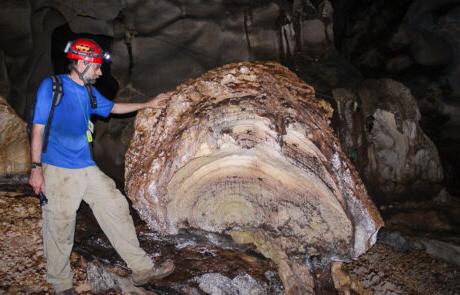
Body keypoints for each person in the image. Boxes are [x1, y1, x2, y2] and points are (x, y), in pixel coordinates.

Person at [28, 38, 174, 295]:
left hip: (86, 166)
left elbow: (113, 107)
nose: (99, 72)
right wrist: (35, 167)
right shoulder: (53, 87)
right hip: (58, 168)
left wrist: (147, 104)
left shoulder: (88, 91)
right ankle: (61, 285)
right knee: (60, 224)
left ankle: (141, 268)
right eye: (96, 67)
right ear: (82, 63)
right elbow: (38, 129)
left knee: (115, 206)